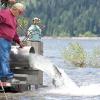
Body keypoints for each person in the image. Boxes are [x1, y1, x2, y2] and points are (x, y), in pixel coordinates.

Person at [0, 3, 25, 82]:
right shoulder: (4, 13)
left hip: (8, 41)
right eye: (20, 12)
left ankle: (2, 76)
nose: (21, 14)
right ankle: (8, 77)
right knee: (5, 58)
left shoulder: (14, 19)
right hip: (2, 39)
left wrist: (19, 42)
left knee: (4, 58)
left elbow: (14, 33)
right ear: (15, 9)